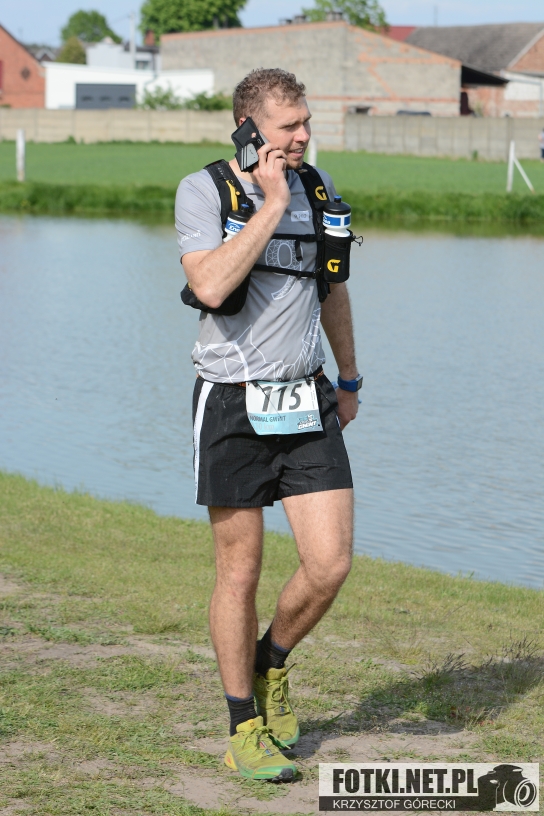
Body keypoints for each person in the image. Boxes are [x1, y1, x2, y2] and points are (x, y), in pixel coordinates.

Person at [175, 68, 361, 781]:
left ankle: (270, 660)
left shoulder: (320, 187)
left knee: (330, 563)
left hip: (307, 398)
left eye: (306, 121)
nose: (304, 135)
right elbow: (210, 285)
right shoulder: (204, 191)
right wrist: (270, 202)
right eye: (289, 126)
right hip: (230, 400)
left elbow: (332, 289)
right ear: (249, 129)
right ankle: (241, 726)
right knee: (240, 571)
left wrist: (348, 378)